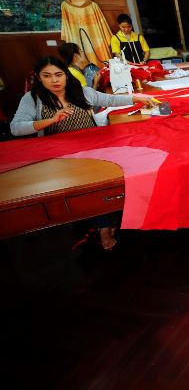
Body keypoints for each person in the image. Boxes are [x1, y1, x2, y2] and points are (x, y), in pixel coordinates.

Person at [11, 56, 155, 248]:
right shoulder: (32, 98)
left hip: (91, 148)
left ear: (66, 75)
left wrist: (136, 98)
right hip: (59, 156)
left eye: (58, 75)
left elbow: (109, 99)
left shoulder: (79, 91)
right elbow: (16, 128)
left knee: (103, 183)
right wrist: (51, 120)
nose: (54, 80)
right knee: (82, 191)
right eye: (47, 76)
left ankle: (108, 221)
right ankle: (103, 224)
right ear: (38, 77)